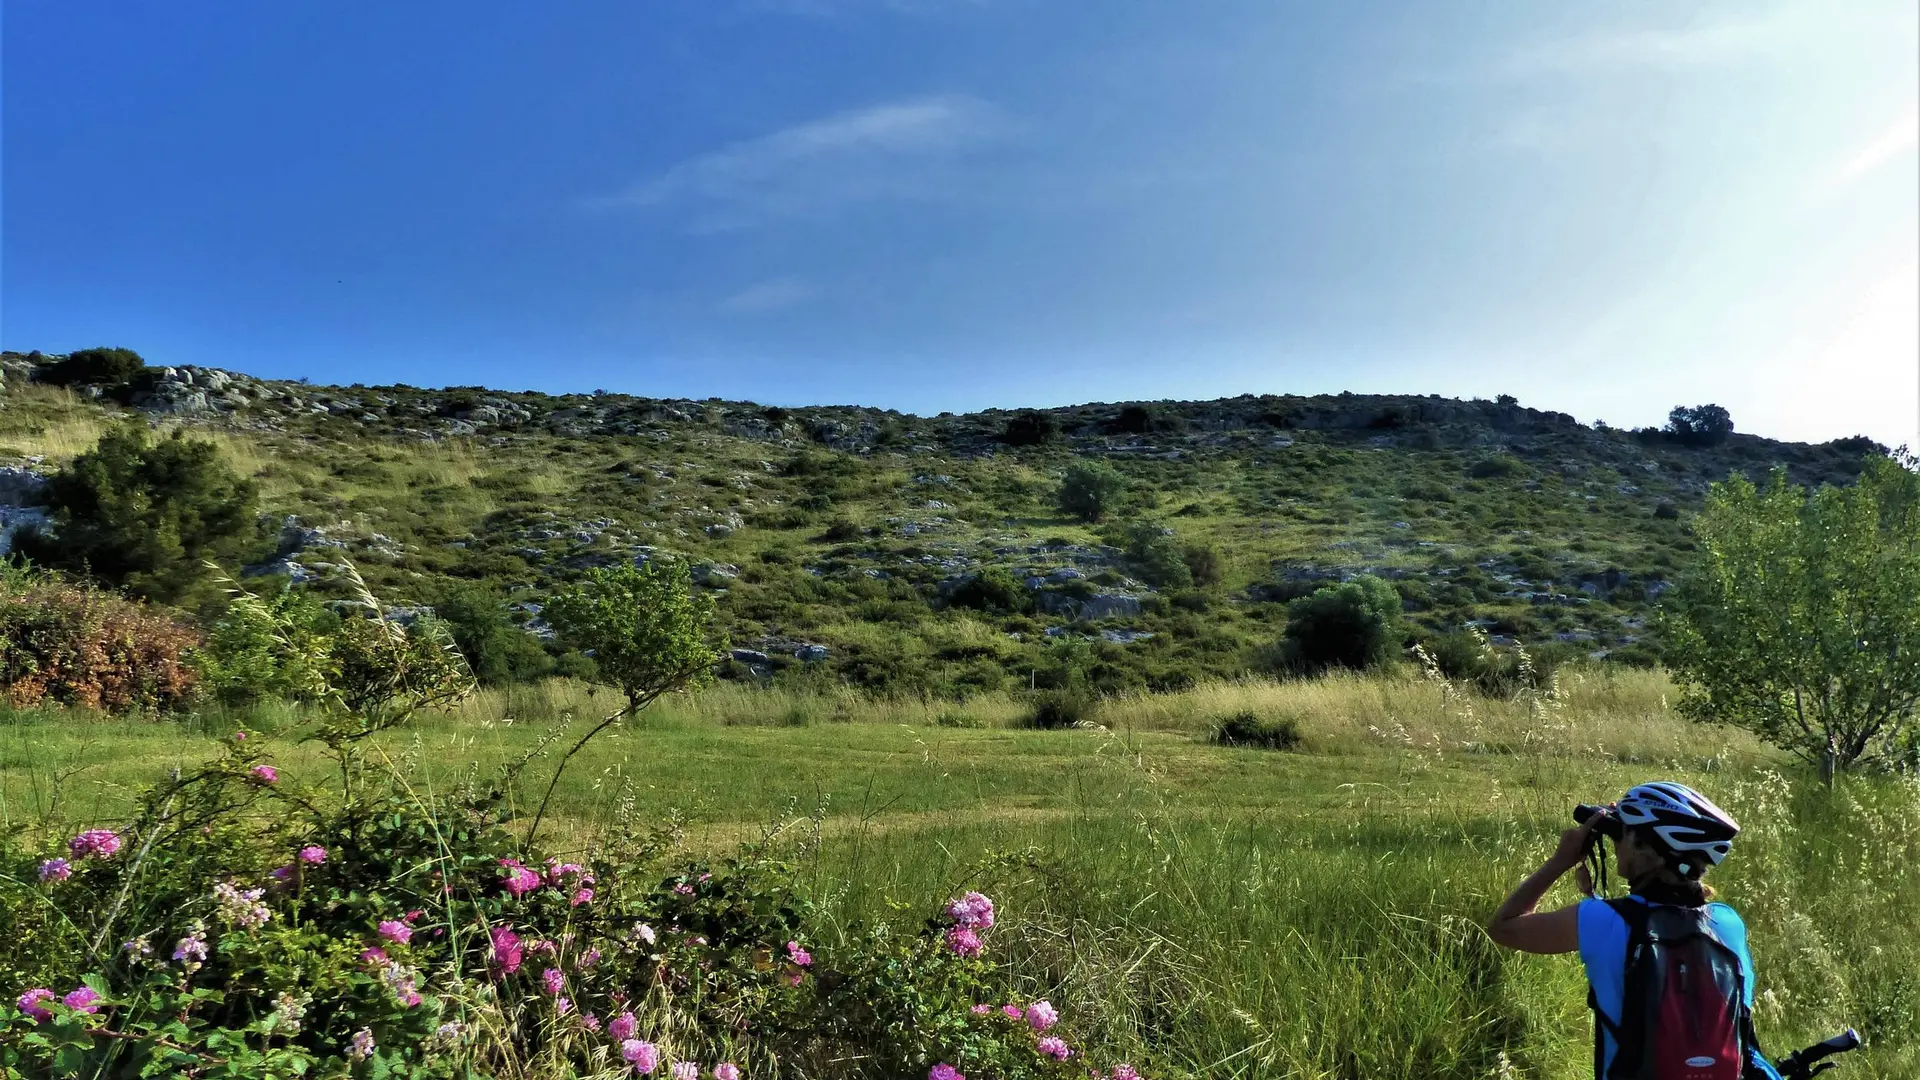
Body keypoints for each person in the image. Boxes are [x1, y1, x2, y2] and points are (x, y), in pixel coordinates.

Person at [1485, 782, 1783, 1079]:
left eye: (1622, 833)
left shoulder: (1604, 920)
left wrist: (1561, 860)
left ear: (1644, 849)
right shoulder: (1727, 924)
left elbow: (1504, 926)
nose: (1615, 843)